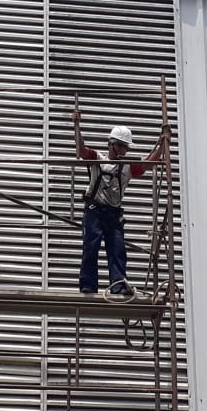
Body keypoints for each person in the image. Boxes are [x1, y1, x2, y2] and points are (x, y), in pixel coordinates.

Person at [71, 110, 169, 295]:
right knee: (91, 247)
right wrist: (77, 126)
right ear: (112, 145)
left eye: (126, 147)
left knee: (117, 250)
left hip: (113, 214)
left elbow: (148, 163)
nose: (125, 150)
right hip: (94, 211)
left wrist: (163, 146)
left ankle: (118, 285)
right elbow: (81, 150)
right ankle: (88, 285)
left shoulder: (128, 166)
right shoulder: (98, 159)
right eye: (122, 146)